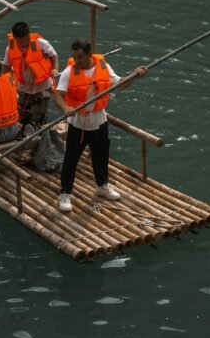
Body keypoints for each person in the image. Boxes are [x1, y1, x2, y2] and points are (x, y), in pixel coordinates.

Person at [53, 39, 148, 212]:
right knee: (71, 160)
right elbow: (58, 95)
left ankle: (102, 186)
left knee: (101, 156)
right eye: (74, 57)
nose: (77, 61)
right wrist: (66, 107)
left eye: (80, 57)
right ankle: (65, 193)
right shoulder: (69, 71)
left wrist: (134, 75)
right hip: (78, 124)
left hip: (99, 121)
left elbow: (120, 83)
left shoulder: (103, 67)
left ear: (90, 54)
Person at [2, 22, 59, 132]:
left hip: (42, 88)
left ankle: (39, 141)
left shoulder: (41, 43)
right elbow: (6, 66)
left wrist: (55, 69)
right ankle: (23, 139)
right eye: (20, 41)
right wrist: (7, 84)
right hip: (22, 88)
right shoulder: (10, 48)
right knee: (20, 117)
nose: (24, 43)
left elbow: (53, 55)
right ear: (15, 38)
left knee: (39, 119)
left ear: (29, 34)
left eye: (25, 39)